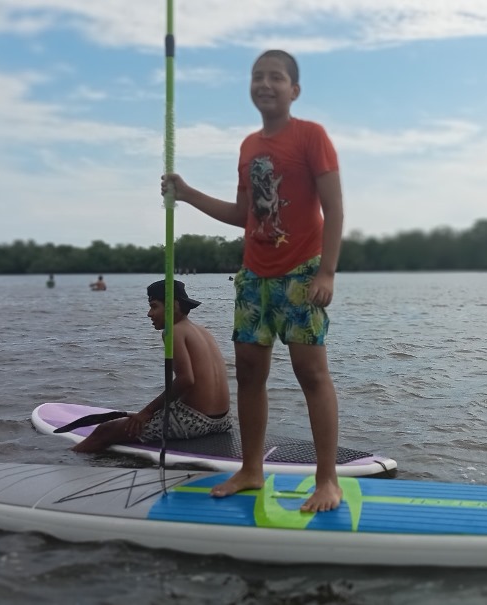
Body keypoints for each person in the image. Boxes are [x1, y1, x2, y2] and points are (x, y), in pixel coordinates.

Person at [161, 49, 344, 512]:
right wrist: (185, 195)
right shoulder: (248, 146)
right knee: (249, 375)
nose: (266, 84)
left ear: (294, 90)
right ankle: (250, 469)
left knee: (311, 374)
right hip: (253, 277)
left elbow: (335, 208)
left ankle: (327, 481)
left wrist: (327, 271)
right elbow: (243, 214)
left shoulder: (311, 136)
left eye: (276, 77)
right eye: (258, 77)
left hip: (302, 273)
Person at [72, 280, 232, 452]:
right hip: (223, 421)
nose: (149, 313)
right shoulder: (203, 331)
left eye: (154, 306)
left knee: (103, 431)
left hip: (196, 422)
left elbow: (186, 380)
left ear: (173, 306)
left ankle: (64, 466)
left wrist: (147, 412)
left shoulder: (173, 331)